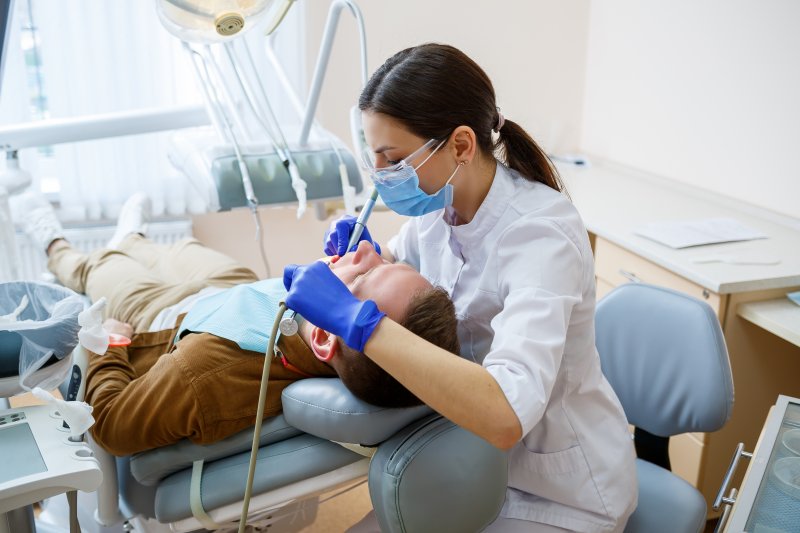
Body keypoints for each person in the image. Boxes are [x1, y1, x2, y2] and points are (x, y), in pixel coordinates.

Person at [283, 44, 638, 532]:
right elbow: (400, 268)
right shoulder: (439, 211)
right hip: (467, 465)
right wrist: (369, 257)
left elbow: (507, 413)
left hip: (558, 492)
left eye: (395, 160)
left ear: (461, 145)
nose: (384, 177)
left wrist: (359, 324)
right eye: (376, 161)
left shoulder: (540, 236)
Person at [12, 193, 460, 456]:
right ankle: (133, 238)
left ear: (324, 334)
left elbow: (111, 424)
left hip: (163, 317)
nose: (366, 252)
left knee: (97, 268)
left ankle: (54, 240)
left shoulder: (205, 373)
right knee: (174, 247)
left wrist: (112, 345)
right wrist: (367, 268)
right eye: (385, 260)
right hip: (232, 286)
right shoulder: (323, 324)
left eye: (364, 275)